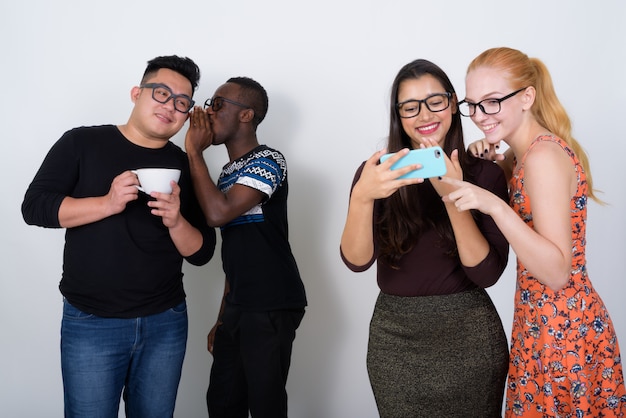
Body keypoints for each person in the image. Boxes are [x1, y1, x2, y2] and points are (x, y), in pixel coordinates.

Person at [21, 55, 217, 418]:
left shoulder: (185, 165)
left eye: (181, 102)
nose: (170, 106)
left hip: (166, 320)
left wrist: (176, 222)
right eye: (161, 93)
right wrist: (107, 203)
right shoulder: (82, 143)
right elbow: (34, 207)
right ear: (136, 94)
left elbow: (203, 252)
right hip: (92, 321)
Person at [443, 46, 626, 416]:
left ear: (527, 96)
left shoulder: (542, 157)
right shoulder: (525, 155)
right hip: (543, 327)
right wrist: (498, 162)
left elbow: (558, 272)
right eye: (473, 104)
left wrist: (493, 203)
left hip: (563, 333)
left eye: (492, 102)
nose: (480, 116)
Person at [339, 59, 510, 417]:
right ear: (398, 115)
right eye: (410, 106)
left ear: (452, 103)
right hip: (395, 337)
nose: (424, 115)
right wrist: (363, 196)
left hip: (470, 337)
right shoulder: (378, 175)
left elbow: (486, 274)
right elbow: (356, 261)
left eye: (435, 101)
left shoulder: (486, 173)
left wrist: (452, 193)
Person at [184, 76, 307, 418]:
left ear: (246, 115)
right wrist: (222, 318)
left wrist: (193, 150)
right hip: (239, 304)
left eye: (219, 104)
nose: (208, 111)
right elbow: (235, 256)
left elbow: (217, 214)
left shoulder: (269, 161)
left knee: (265, 405)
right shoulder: (226, 173)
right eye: (210, 102)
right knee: (223, 403)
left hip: (272, 301)